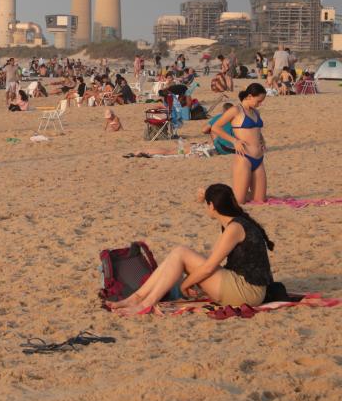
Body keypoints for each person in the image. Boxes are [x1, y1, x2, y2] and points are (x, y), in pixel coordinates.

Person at [107, 183, 275, 314]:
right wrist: (208, 194)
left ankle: (144, 303)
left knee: (181, 253)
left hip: (247, 292)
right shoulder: (235, 221)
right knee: (178, 254)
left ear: (212, 207)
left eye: (207, 204)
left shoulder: (234, 228)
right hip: (246, 285)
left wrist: (184, 285)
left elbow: (209, 267)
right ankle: (136, 298)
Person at [209, 84, 269, 203]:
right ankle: (213, 195)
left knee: (260, 199)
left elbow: (256, 130)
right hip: (244, 158)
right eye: (259, 101)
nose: (260, 104)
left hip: (258, 158)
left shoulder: (256, 112)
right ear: (250, 96)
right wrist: (234, 141)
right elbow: (215, 127)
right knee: (239, 200)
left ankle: (237, 191)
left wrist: (262, 140)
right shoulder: (236, 110)